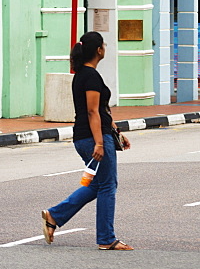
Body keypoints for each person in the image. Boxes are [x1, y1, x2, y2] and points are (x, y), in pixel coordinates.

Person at [42, 31, 133, 250]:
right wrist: (100, 143)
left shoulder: (83, 74)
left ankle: (54, 215)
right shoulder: (90, 76)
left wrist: (116, 131)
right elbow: (93, 112)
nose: (105, 48)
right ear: (98, 50)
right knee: (108, 186)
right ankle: (106, 238)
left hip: (87, 135)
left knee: (99, 184)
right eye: (104, 45)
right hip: (92, 137)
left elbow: (101, 111)